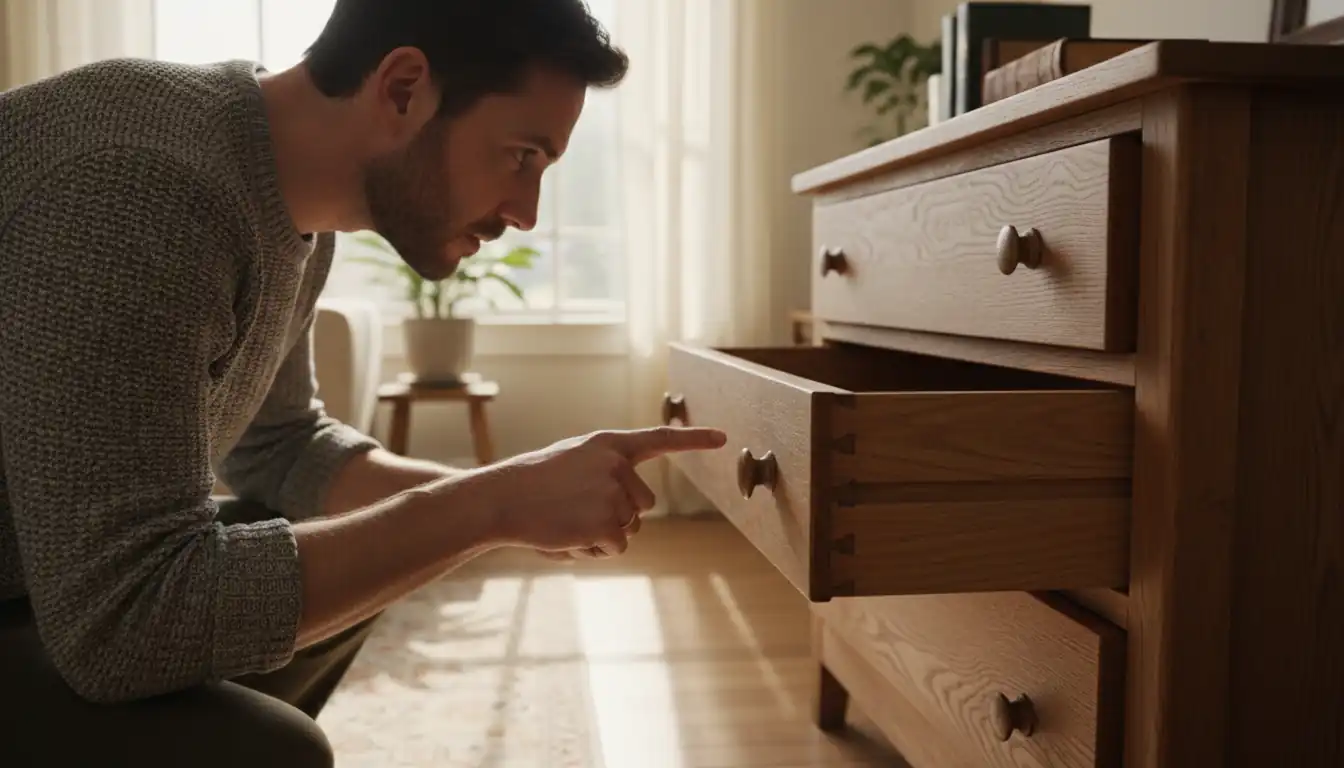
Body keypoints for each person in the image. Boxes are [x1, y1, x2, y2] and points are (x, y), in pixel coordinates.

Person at [0, 0, 726, 764]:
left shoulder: (290, 210)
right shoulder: (147, 190)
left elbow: (280, 450)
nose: (527, 212)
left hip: (43, 581)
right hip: (57, 600)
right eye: (522, 156)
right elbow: (125, 625)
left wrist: (512, 496)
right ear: (404, 87)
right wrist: (490, 505)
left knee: (362, 566)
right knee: (274, 748)